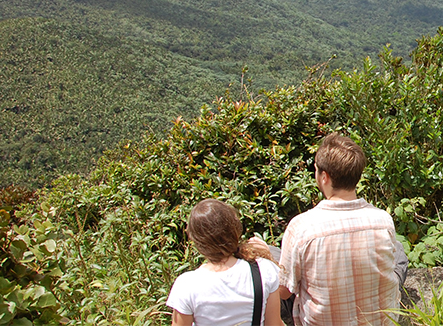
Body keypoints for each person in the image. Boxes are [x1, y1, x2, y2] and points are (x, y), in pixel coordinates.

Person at [278, 132, 407, 326]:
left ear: (324, 177)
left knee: (276, 258)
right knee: (399, 252)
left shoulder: (301, 227)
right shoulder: (383, 220)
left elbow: (283, 292)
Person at [167, 198, 283, 326]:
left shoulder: (187, 285)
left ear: (196, 241)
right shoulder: (264, 270)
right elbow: (274, 323)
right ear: (235, 230)